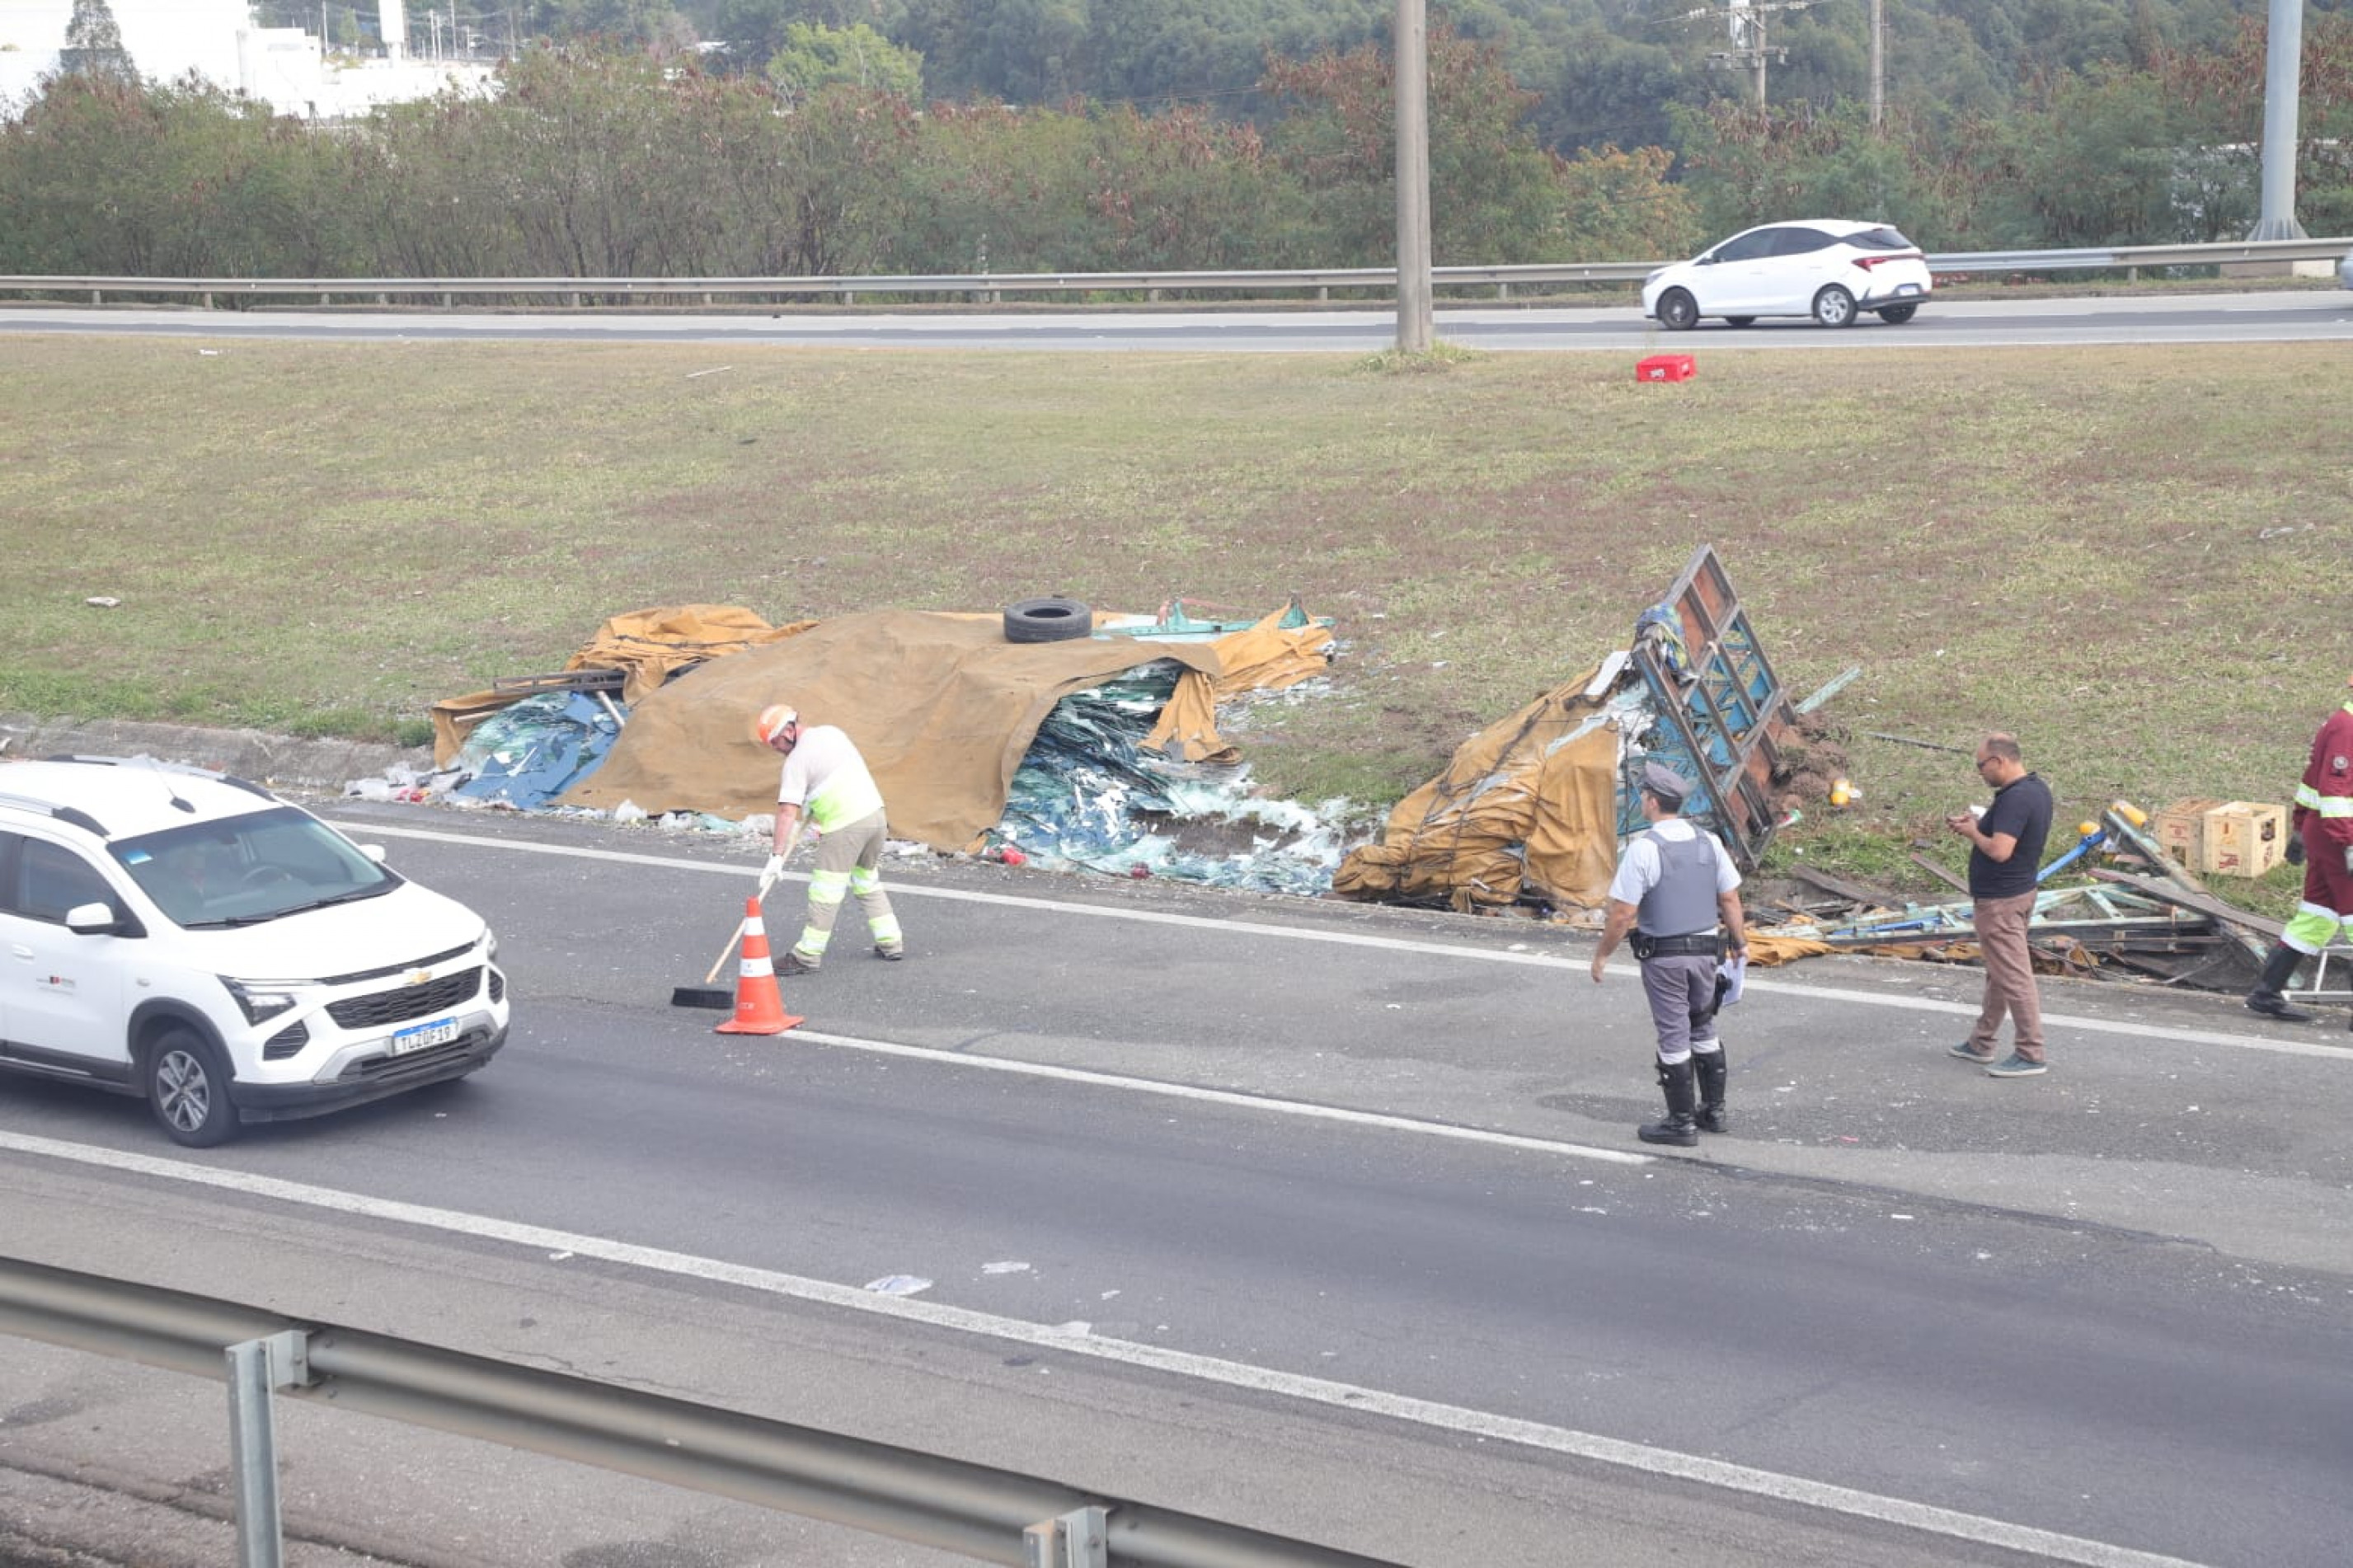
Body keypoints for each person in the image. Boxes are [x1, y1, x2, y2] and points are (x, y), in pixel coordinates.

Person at [1589, 761, 1748, 1147]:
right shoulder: (1708, 842)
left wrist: (1602, 955)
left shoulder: (1645, 850)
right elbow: (1728, 897)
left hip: (1666, 959)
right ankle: (1713, 1110)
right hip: (1707, 954)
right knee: (1703, 1026)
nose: (1643, 801)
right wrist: (1739, 942)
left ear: (1652, 802)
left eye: (1644, 796)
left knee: (1674, 1033)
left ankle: (1680, 1123)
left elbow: (1623, 913)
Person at [754, 703, 904, 973]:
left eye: (775, 742)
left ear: (788, 731)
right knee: (866, 880)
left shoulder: (796, 762)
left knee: (825, 892)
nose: (775, 748)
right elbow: (835, 776)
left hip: (845, 827)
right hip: (876, 818)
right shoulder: (832, 733)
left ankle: (806, 956)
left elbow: (787, 811)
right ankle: (891, 942)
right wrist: (815, 801)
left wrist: (776, 856)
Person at [2245, 672, 2353, 1029]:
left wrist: (2301, 826)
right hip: (2339, 838)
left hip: (2325, 835)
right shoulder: (2347, 728)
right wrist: (2348, 843)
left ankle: (2267, 992)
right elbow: (2335, 794)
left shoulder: (2340, 723)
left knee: (2317, 914)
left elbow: (2311, 781)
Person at [1945, 732, 2054, 1076]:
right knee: (2000, 973)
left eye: (1981, 765)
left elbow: (2000, 851)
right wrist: (1979, 825)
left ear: (2000, 761)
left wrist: (1973, 833)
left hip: (2001, 901)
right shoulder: (2036, 789)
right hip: (2019, 892)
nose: (1980, 772)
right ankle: (1982, 1041)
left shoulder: (2016, 799)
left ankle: (2031, 1052)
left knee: (2015, 977)